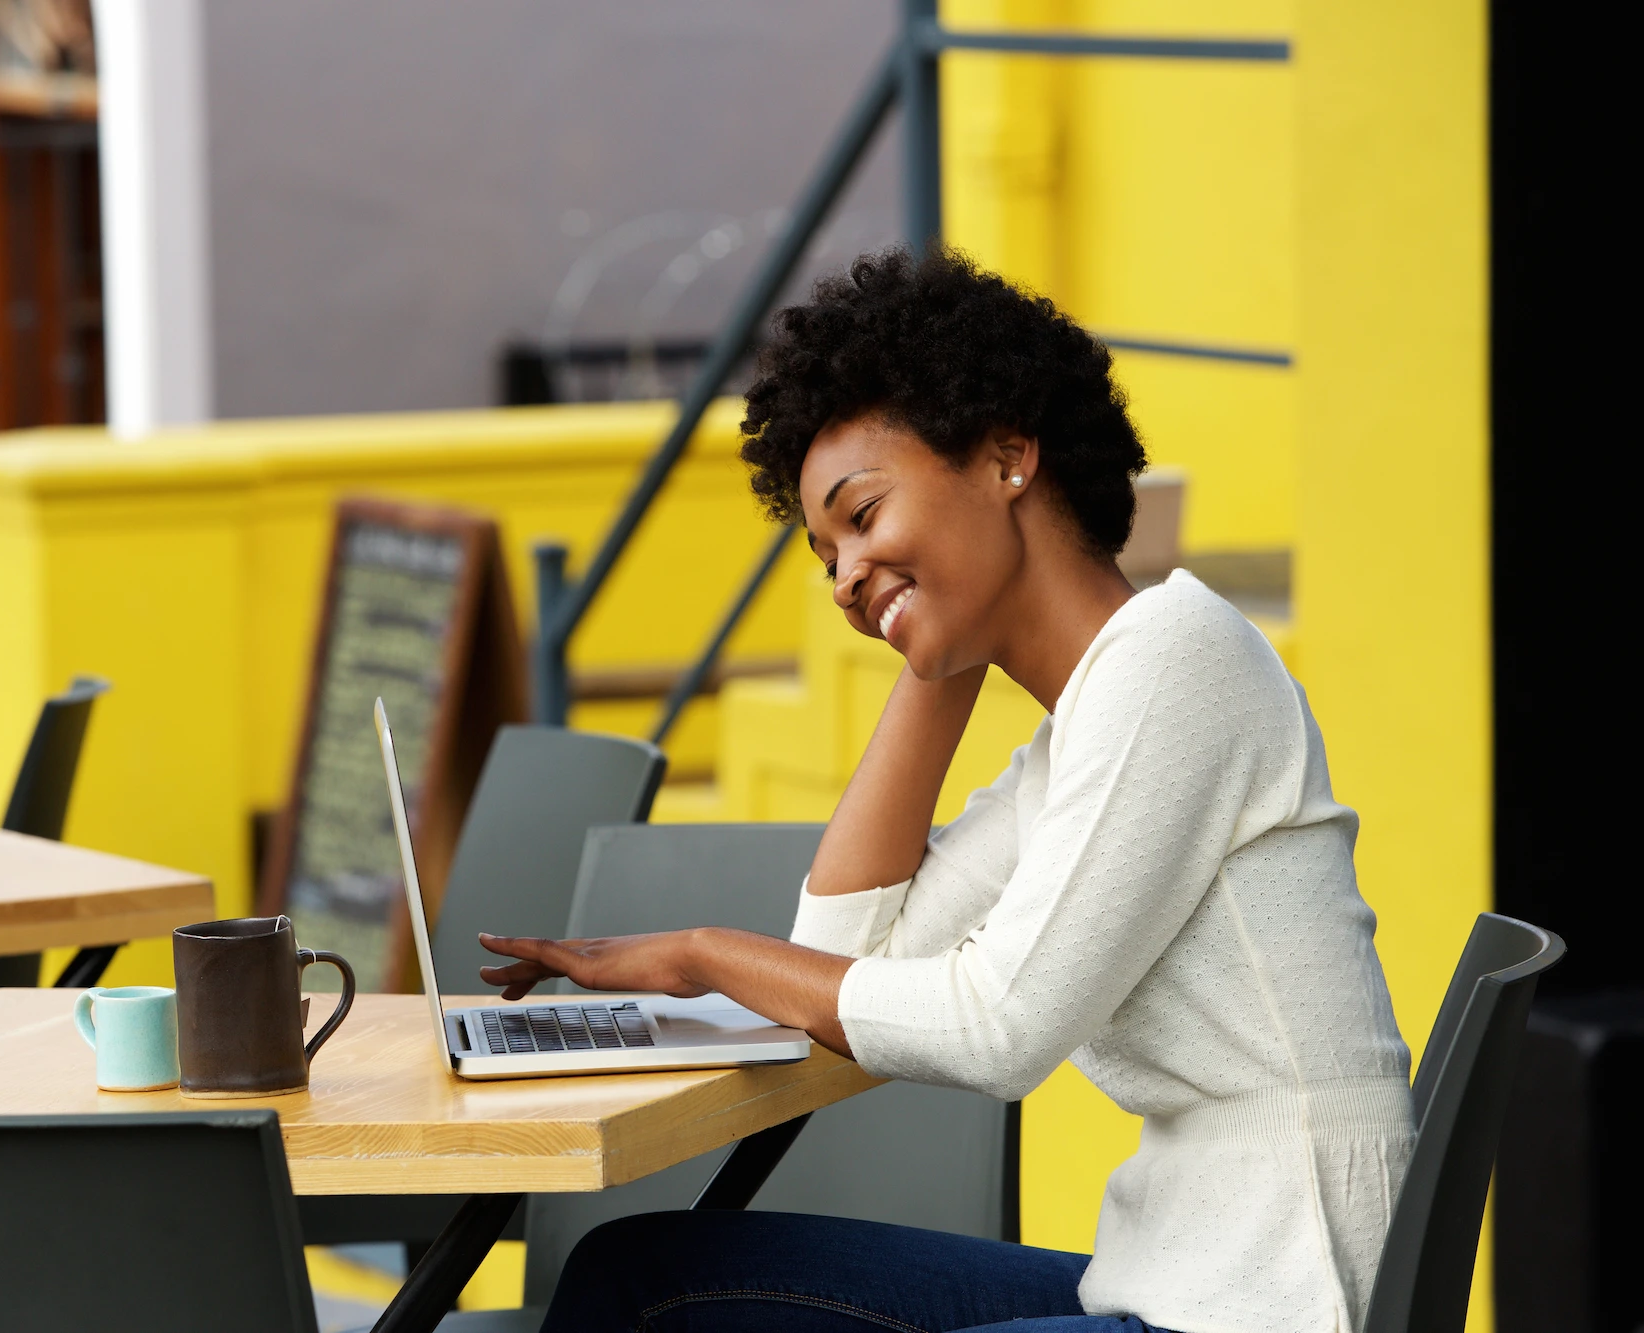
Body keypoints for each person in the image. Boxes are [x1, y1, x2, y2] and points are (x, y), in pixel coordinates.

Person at [478, 248, 1414, 1333]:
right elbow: (852, 956)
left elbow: (996, 1029)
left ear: (1006, 455)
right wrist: (938, 647)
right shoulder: (1088, 720)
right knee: (639, 1277)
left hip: (1272, 1299)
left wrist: (698, 953)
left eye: (863, 516)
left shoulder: (1175, 661)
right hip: (1180, 1277)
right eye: (824, 552)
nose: (840, 578)